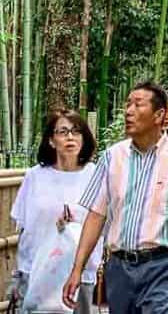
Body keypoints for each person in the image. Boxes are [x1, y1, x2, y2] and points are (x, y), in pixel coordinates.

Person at [62, 80, 168, 314]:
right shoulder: (112, 157)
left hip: (162, 266)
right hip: (119, 268)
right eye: (128, 104)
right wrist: (77, 269)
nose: (129, 111)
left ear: (159, 115)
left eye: (138, 104)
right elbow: (96, 216)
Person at [9, 110, 101, 314]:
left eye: (76, 132)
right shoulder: (35, 176)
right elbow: (24, 228)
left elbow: (103, 223)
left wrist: (72, 224)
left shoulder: (95, 175)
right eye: (63, 132)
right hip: (36, 271)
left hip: (79, 274)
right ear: (51, 140)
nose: (70, 137)